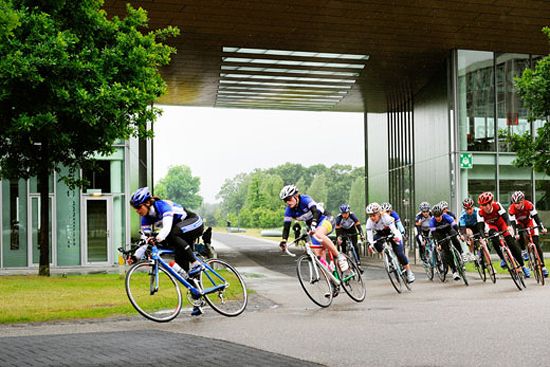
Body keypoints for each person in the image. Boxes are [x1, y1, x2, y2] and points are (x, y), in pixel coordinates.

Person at [129, 187, 206, 316]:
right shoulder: (145, 219)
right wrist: (135, 257)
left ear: (147, 203)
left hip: (194, 223)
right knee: (185, 273)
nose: (137, 211)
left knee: (171, 234)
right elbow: (145, 241)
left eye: (138, 207)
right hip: (182, 233)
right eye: (135, 208)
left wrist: (158, 237)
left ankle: (195, 263)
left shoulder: (162, 206)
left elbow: (167, 228)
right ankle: (198, 300)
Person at [278, 185, 348, 273]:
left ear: (296, 196)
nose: (287, 202)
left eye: (289, 198)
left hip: (326, 219)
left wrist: (314, 223)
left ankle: (340, 257)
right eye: (285, 200)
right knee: (318, 257)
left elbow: (316, 211)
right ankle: (332, 280)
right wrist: (284, 240)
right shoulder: (289, 211)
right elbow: (286, 227)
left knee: (319, 233)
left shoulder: (305, 199)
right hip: (313, 227)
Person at [476, 191, 530, 278]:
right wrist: (483, 238)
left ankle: (523, 266)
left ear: (491, 202)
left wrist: (509, 226)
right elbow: (480, 227)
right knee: (494, 239)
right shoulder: (480, 212)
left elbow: (506, 217)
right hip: (492, 226)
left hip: (502, 224)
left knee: (511, 243)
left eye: (486, 204)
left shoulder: (497, 205)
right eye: (483, 205)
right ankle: (503, 259)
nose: (485, 207)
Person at [366, 202, 415, 283]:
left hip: (391, 232)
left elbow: (394, 229)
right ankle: (385, 257)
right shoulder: (369, 222)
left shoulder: (385, 217)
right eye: (370, 216)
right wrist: (370, 244)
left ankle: (409, 272)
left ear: (379, 214)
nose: (372, 218)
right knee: (375, 241)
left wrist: (396, 237)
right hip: (380, 234)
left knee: (399, 253)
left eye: (373, 215)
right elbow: (370, 236)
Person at [508, 191, 548, 277]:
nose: (516, 205)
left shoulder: (529, 205)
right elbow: (513, 223)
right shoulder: (511, 209)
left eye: (518, 203)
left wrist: (542, 228)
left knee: (536, 244)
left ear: (523, 201)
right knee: (520, 234)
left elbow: (536, 217)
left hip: (529, 221)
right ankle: (523, 250)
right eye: (515, 203)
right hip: (519, 223)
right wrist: (516, 233)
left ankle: (543, 266)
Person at [430, 204, 465, 281]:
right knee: (446, 251)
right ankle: (454, 271)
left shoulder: (446, 216)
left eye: (439, 216)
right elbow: (434, 235)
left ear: (442, 214)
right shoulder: (432, 222)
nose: (438, 218)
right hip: (439, 234)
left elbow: (455, 226)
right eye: (436, 216)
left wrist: (460, 235)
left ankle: (461, 253)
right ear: (434, 216)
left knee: (454, 237)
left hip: (448, 229)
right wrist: (438, 244)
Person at [335, 203, 365, 270]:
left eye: (346, 213)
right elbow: (337, 229)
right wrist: (339, 237)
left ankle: (358, 262)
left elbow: (358, 225)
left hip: (352, 229)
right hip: (342, 230)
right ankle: (345, 261)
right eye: (343, 213)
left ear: (348, 212)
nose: (344, 215)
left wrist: (361, 234)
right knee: (343, 246)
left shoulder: (352, 215)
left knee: (355, 245)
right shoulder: (339, 218)